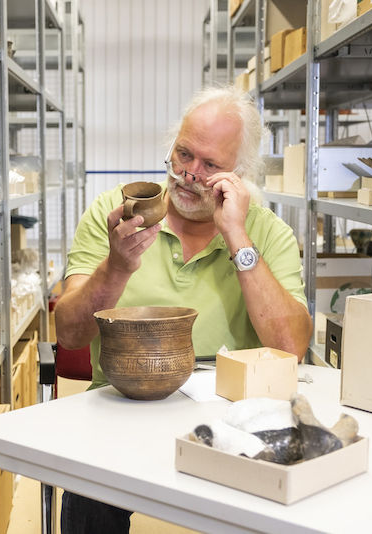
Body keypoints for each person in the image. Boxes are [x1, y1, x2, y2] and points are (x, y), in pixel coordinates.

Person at [54, 85, 312, 533]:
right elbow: (71, 335)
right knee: (89, 495)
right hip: (122, 407)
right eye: (183, 155)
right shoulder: (116, 215)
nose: (190, 174)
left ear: (241, 175)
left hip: (232, 417)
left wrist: (237, 237)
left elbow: (291, 349)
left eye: (210, 165)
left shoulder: (266, 233)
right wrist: (117, 266)